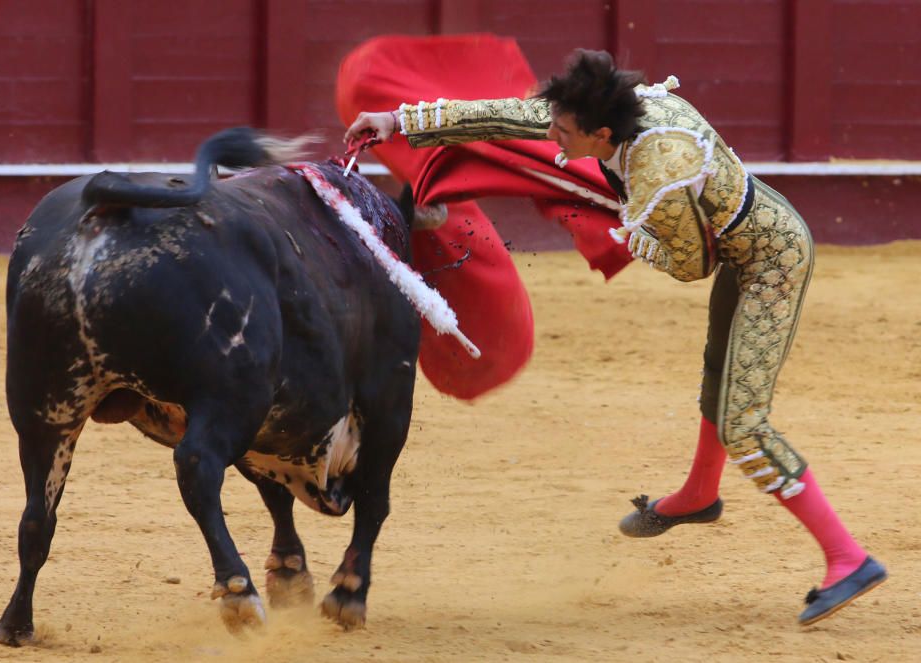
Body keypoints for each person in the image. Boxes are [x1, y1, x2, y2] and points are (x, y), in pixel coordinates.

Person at [345, 48, 886, 625]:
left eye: (564, 131)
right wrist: (401, 122)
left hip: (770, 264)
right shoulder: (608, 118)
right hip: (744, 245)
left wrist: (630, 235)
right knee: (718, 374)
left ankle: (847, 558)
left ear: (601, 134)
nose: (552, 137)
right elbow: (510, 116)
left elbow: (691, 263)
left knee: (743, 422)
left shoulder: (659, 171)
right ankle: (699, 495)